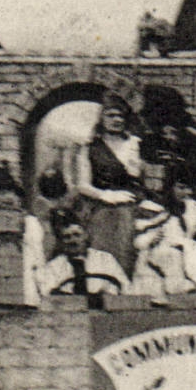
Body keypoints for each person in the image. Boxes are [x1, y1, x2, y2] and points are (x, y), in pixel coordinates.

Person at [73, 94, 148, 276]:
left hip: (131, 204)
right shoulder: (89, 147)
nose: (116, 120)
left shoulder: (134, 145)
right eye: (111, 115)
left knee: (130, 231)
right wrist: (106, 196)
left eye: (121, 116)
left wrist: (136, 167)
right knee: (101, 234)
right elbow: (82, 185)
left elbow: (142, 181)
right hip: (99, 204)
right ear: (102, 118)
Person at [35, 209, 130, 297]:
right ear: (60, 241)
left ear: (85, 236)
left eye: (77, 235)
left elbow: (125, 288)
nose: (73, 240)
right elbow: (48, 294)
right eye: (67, 237)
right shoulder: (54, 267)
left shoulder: (105, 259)